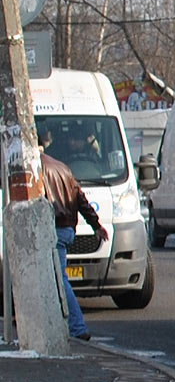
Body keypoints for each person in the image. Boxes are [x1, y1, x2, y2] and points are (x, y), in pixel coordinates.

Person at [39, 130, 108, 340]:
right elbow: (80, 198)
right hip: (67, 228)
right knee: (50, 279)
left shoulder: (35, 169)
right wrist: (96, 225)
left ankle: (77, 328)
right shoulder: (61, 167)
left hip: (53, 229)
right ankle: (57, 326)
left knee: (59, 280)